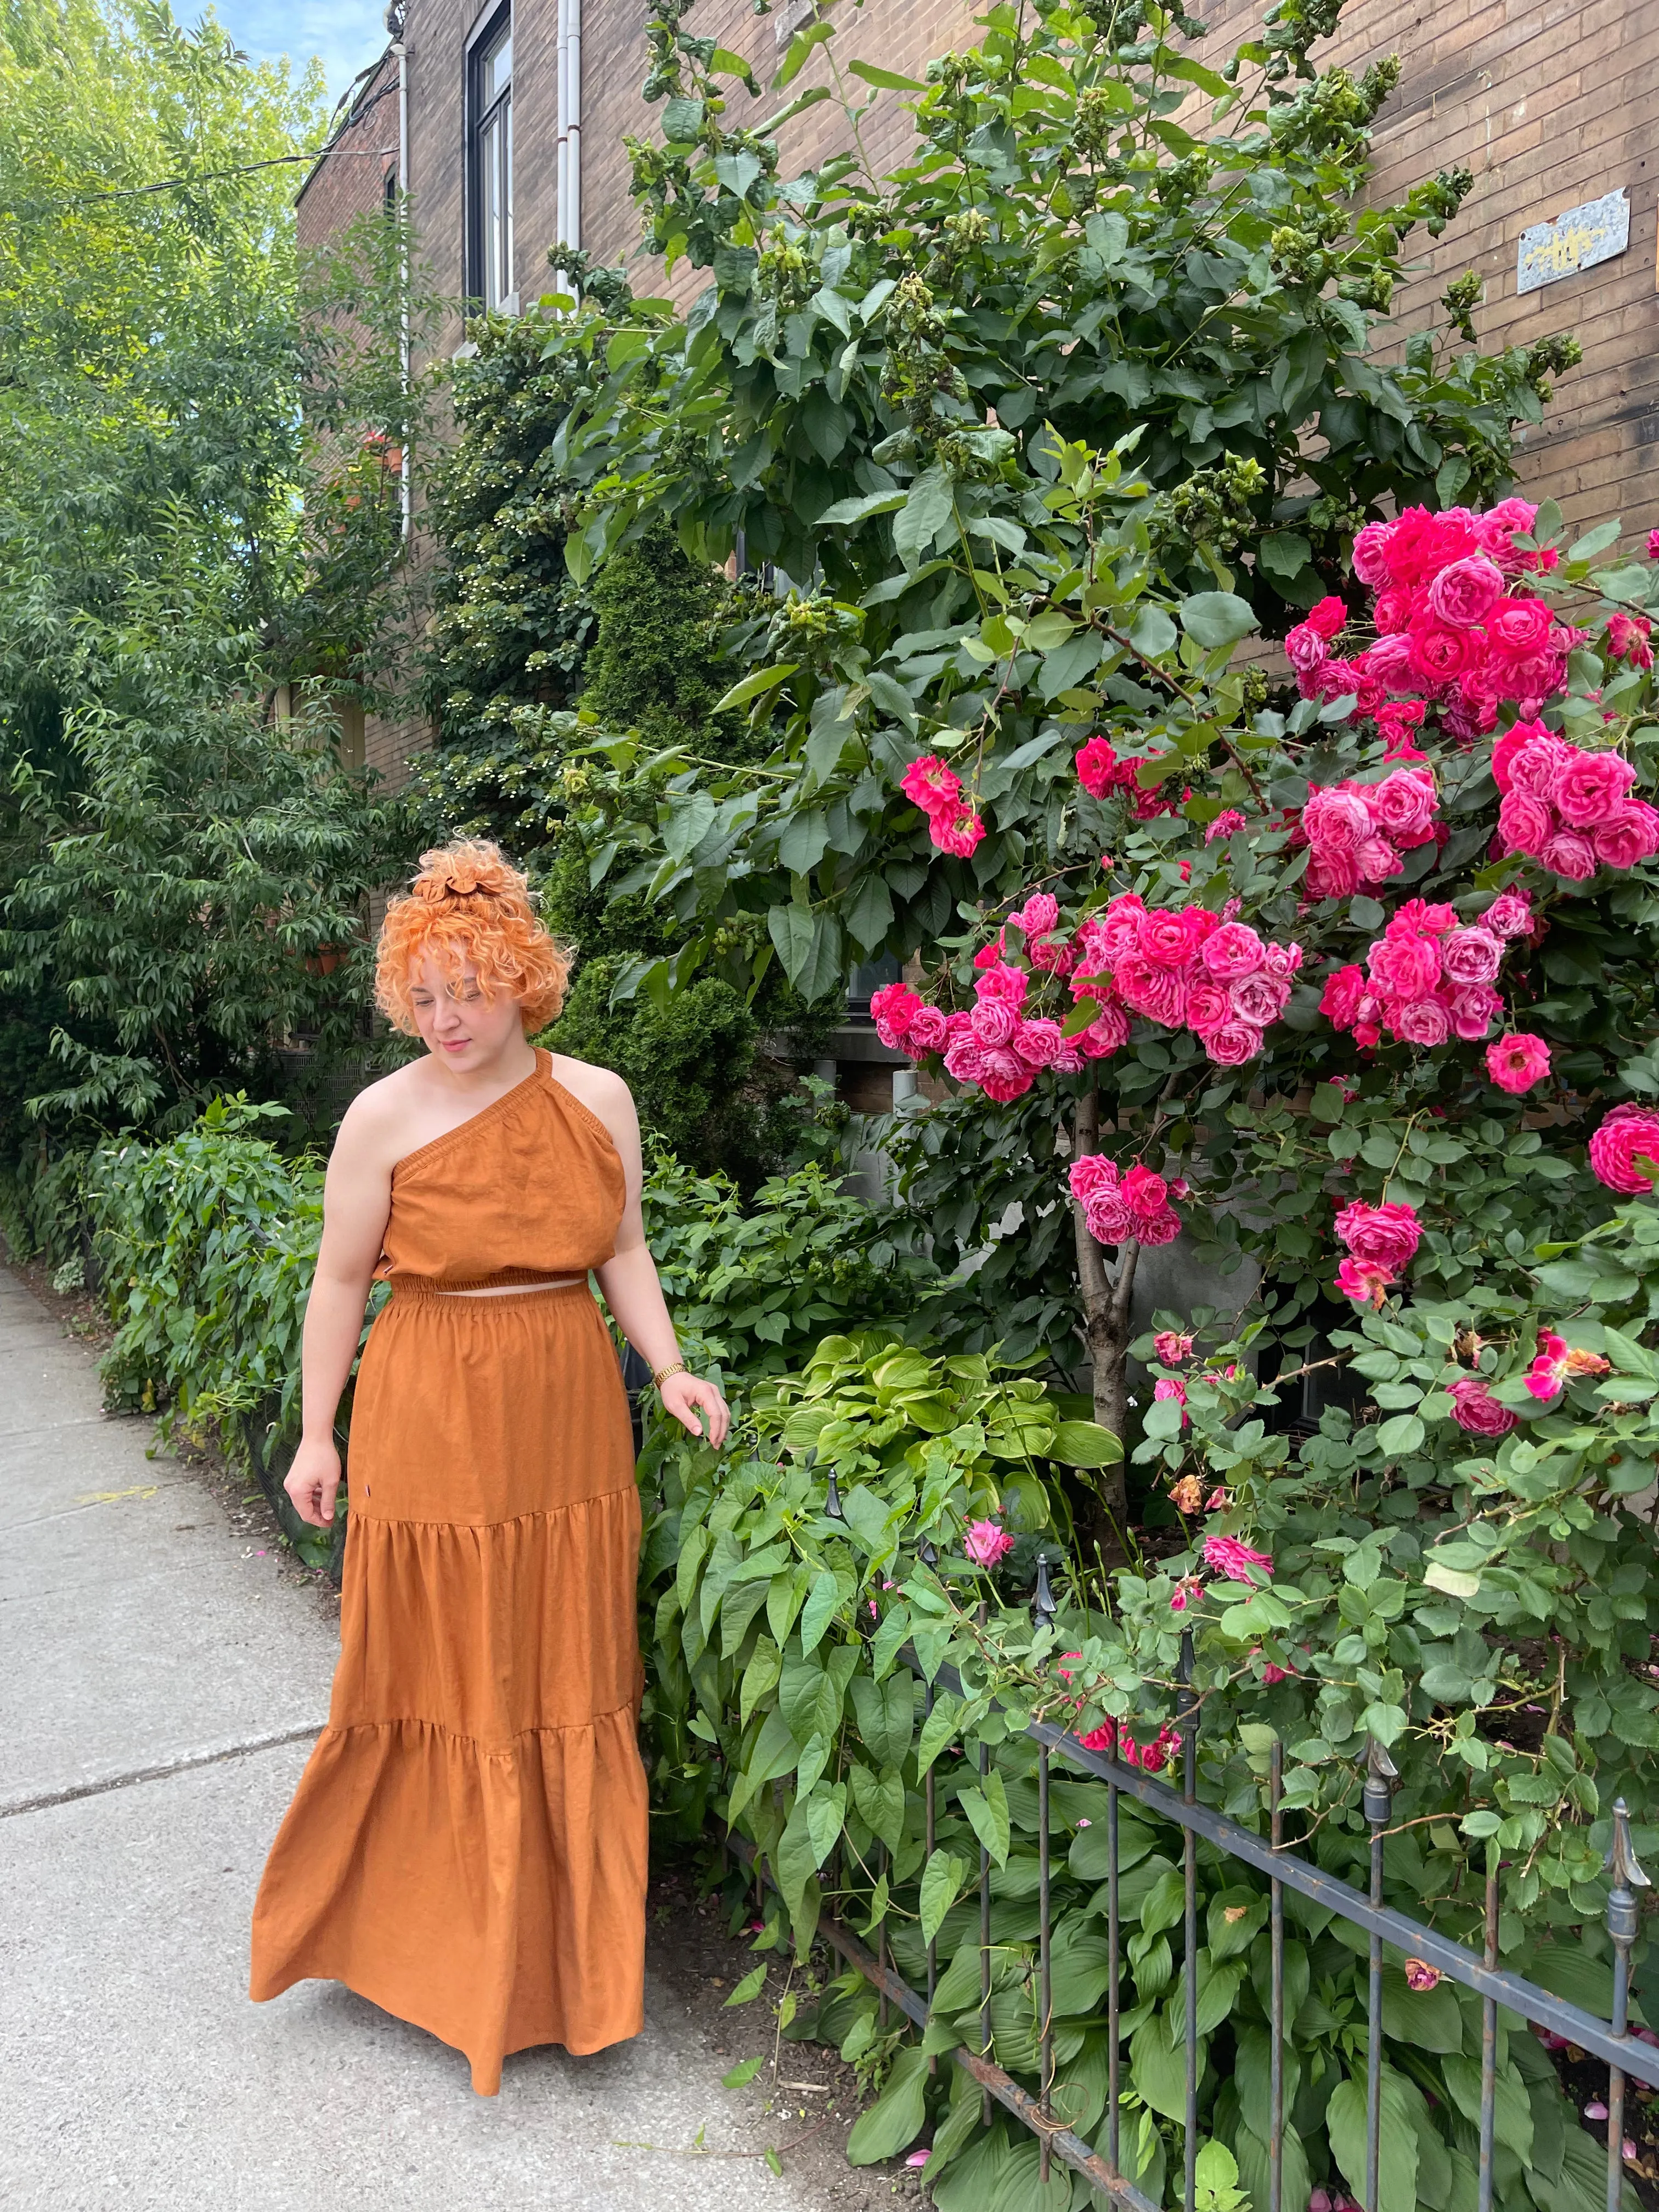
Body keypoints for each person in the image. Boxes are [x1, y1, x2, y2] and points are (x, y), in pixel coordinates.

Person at [249, 839, 728, 2095]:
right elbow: (341, 1281)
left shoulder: (600, 1099)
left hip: (567, 1411)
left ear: (524, 978)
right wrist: (317, 1434)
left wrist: (668, 1365)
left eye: (468, 989)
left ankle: (563, 1971)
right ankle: (432, 1953)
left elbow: (621, 1248)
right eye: (424, 995)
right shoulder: (384, 1114)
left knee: (565, 1660)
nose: (446, 1018)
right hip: (429, 1411)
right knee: (439, 1672)